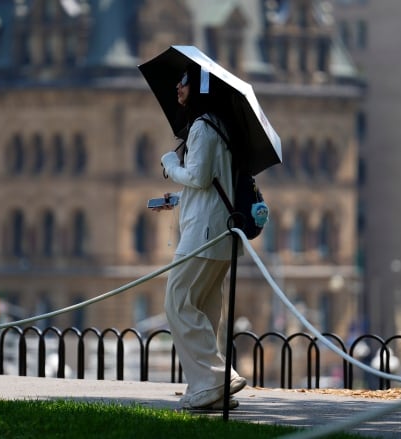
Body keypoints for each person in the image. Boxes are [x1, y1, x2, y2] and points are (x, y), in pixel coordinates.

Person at [152, 65, 247, 410]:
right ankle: (207, 389)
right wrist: (176, 200)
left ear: (200, 89)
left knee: (176, 302)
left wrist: (169, 166)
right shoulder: (222, 128)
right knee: (205, 310)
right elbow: (210, 185)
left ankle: (218, 377)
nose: (178, 86)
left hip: (202, 236)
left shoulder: (203, 128)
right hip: (220, 232)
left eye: (185, 82)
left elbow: (200, 177)